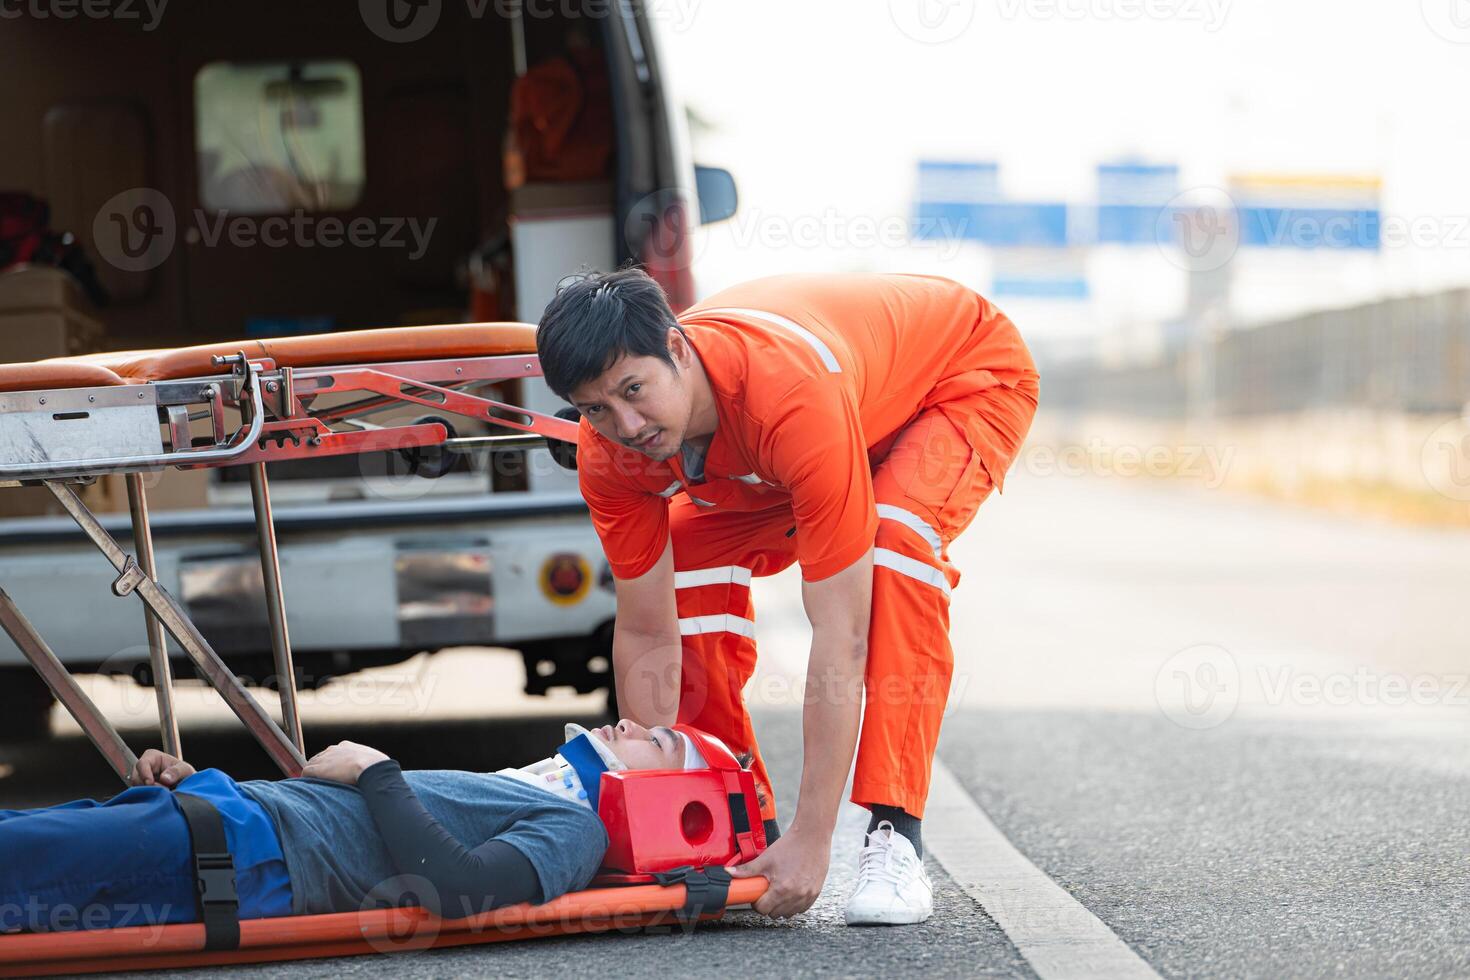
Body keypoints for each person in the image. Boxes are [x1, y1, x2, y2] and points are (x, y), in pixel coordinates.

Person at [536, 269, 1040, 925]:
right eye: (596, 407)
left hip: (957, 379)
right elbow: (645, 632)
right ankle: (731, 824)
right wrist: (654, 812)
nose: (626, 424)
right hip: (833, 418)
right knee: (683, 562)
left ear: (677, 348)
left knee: (894, 544)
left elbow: (841, 634)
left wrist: (814, 837)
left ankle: (896, 834)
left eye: (635, 390)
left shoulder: (788, 395)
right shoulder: (610, 451)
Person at [0, 719, 731, 934]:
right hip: (219, 820)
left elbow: (462, 889)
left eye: (658, 740)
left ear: (667, 790)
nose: (635, 722)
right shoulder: (530, 792)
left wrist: (379, 772)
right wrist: (196, 786)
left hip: (243, 856)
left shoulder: (577, 831)